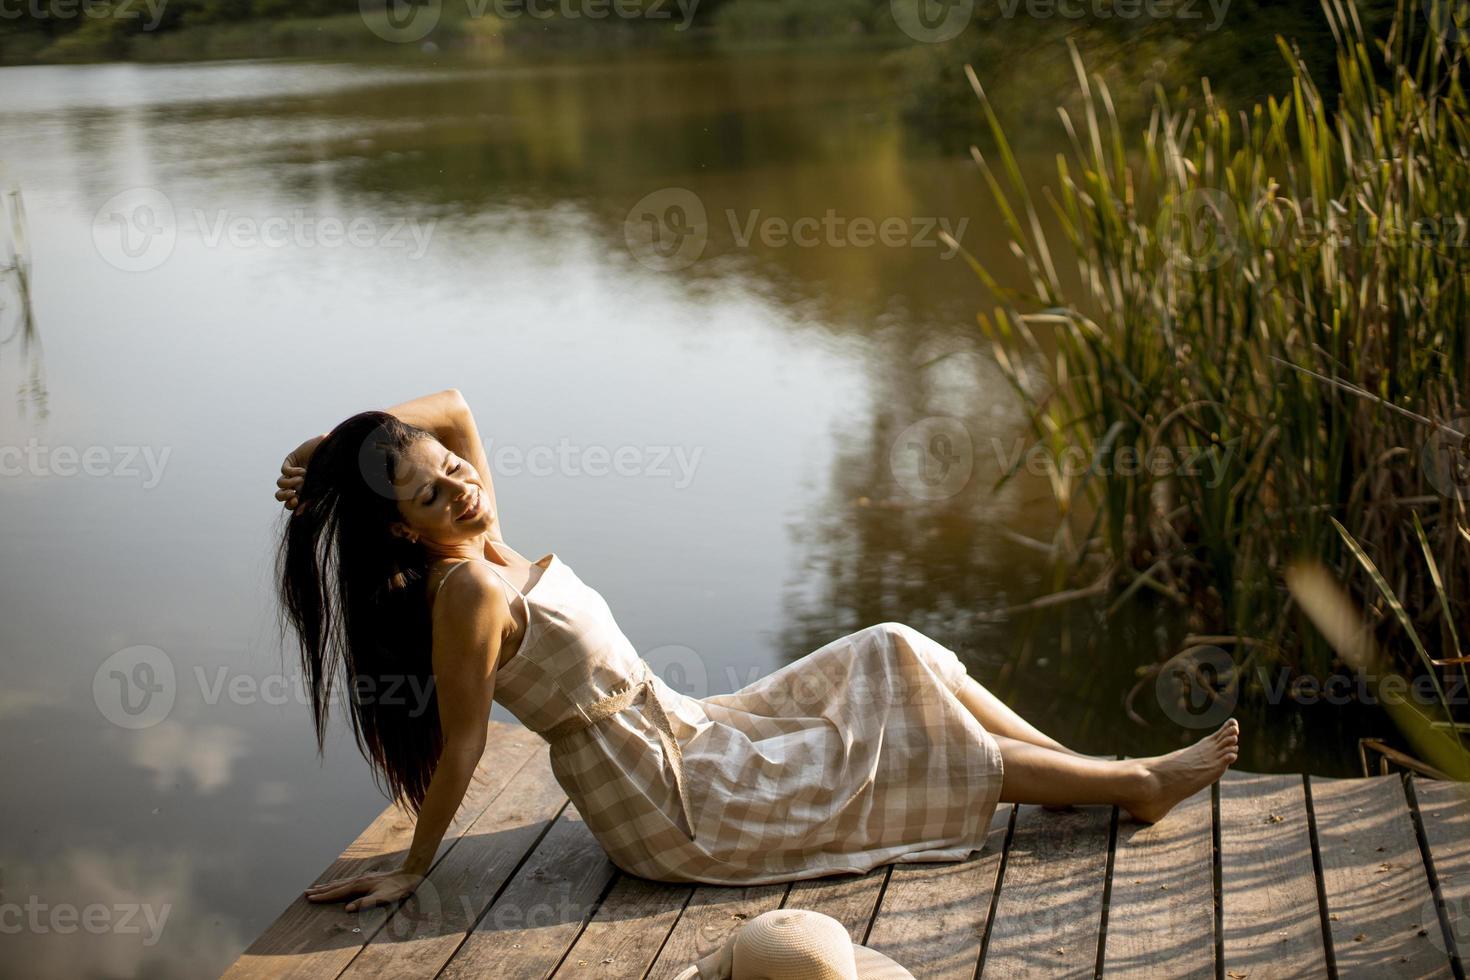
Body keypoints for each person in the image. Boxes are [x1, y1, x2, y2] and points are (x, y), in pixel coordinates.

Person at [279, 389, 1239, 912]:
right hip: (670, 801)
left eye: (453, 473)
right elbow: (464, 748)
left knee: (894, 648)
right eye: (434, 495)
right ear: (404, 532)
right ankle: (1131, 784)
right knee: (896, 754)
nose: (463, 486)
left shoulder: (485, 540)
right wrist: (415, 865)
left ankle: (1087, 770)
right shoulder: (472, 588)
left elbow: (451, 406)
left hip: (690, 729)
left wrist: (338, 452)